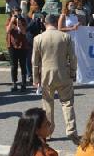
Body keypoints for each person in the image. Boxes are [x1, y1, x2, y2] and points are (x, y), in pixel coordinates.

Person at [32, 13, 80, 144]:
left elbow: (35, 61)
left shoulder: (38, 38)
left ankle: (47, 133)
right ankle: (71, 130)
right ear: (55, 22)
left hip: (46, 75)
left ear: (44, 23)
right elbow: (73, 57)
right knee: (67, 103)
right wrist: (73, 71)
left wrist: (36, 78)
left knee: (47, 104)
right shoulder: (65, 36)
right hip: (63, 74)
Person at [7, 8, 29, 92]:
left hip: (22, 45)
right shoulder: (9, 20)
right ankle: (14, 83)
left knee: (23, 65)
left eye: (19, 13)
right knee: (14, 65)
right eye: (16, 14)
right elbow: (7, 30)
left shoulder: (23, 20)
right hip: (12, 46)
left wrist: (19, 23)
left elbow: (24, 32)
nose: (18, 15)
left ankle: (23, 83)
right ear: (12, 13)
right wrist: (12, 21)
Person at [58, 0, 80, 80]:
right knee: (65, 58)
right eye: (70, 5)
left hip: (74, 39)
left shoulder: (75, 16)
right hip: (65, 39)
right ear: (67, 6)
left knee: (73, 58)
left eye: (73, 5)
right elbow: (59, 28)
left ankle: (72, 74)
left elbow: (76, 27)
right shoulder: (63, 16)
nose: (72, 7)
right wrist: (72, 28)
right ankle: (63, 75)